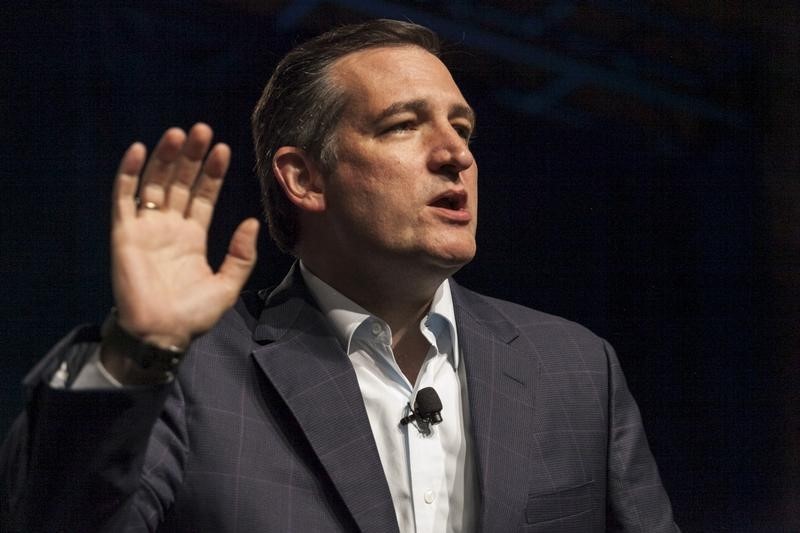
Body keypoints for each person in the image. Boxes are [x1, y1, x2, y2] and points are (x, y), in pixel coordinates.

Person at [0, 19, 679, 532]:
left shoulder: (577, 369)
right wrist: (136, 351)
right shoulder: (191, 378)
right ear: (304, 177)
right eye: (402, 125)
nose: (454, 154)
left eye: (463, 128)